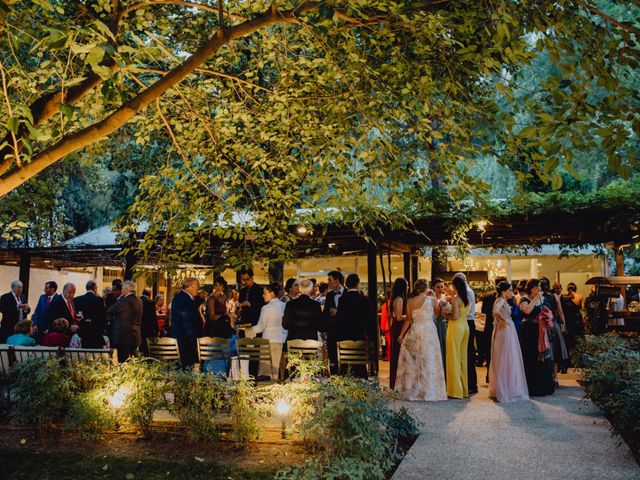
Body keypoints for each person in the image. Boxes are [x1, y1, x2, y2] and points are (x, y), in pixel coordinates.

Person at [395, 279, 447, 401]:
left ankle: (415, 389)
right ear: (426, 288)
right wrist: (434, 296)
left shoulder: (410, 301)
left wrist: (402, 335)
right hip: (429, 331)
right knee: (429, 359)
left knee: (415, 361)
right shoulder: (431, 300)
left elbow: (408, 320)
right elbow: (438, 313)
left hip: (415, 330)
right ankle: (428, 391)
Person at [488, 281, 529, 403]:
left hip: (507, 330)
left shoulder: (503, 301)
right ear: (503, 291)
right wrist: (503, 320)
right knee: (505, 358)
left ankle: (507, 387)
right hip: (505, 331)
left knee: (508, 358)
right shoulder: (500, 300)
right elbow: (495, 312)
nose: (512, 292)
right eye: (510, 290)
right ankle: (504, 389)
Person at [519, 279, 555, 396]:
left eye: (539, 287)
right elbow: (527, 311)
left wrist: (546, 315)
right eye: (535, 288)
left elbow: (551, 313)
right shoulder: (524, 299)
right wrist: (535, 299)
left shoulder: (544, 299)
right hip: (529, 331)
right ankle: (532, 388)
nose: (538, 290)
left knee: (544, 359)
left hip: (541, 331)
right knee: (531, 357)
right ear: (529, 289)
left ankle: (545, 387)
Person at [335, 273, 373, 377]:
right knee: (360, 367)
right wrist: (371, 338)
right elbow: (369, 321)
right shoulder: (364, 299)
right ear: (357, 284)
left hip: (345, 337)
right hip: (359, 337)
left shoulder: (342, 299)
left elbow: (339, 320)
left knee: (346, 367)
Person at [251, 283, 287, 379]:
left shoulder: (266, 308)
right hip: (280, 340)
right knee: (276, 371)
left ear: (271, 293)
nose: (263, 295)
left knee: (266, 373)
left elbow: (260, 327)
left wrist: (249, 330)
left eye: (265, 293)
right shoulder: (284, 305)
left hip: (267, 342)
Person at [444, 276, 471, 399]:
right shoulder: (468, 298)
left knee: (453, 358)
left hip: (456, 327)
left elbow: (454, 316)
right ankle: (464, 390)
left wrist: (444, 313)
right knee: (462, 358)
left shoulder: (456, 299)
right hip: (465, 327)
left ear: (455, 286)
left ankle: (455, 391)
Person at [540, 277, 568, 386]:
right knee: (555, 352)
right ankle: (555, 377)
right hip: (554, 325)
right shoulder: (555, 296)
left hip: (543, 325)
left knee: (546, 351)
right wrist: (564, 325)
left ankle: (547, 377)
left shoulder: (539, 297)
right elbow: (560, 313)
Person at [453, 272, 477, 394]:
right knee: (466, 354)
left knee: (467, 354)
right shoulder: (467, 293)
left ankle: (469, 384)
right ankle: (468, 383)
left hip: (466, 322)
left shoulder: (466, 293)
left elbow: (460, 313)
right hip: (466, 323)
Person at [107, 280, 143, 363]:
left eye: (123, 289)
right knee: (133, 363)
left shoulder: (124, 300)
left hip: (123, 338)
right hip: (135, 337)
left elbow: (110, 310)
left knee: (123, 363)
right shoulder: (140, 301)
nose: (121, 291)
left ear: (127, 289)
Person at [170, 277, 202, 367]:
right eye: (197, 286)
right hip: (185, 341)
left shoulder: (183, 297)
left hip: (183, 339)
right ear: (190, 286)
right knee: (185, 367)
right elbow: (187, 322)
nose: (198, 289)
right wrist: (193, 341)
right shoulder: (184, 299)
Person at [480, 276, 507, 381]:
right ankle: (500, 376)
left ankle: (489, 374)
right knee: (501, 351)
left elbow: (483, 311)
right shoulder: (506, 298)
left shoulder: (487, 297)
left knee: (489, 351)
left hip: (489, 326)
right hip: (501, 326)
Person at [322, 270, 345, 374]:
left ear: (337, 281)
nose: (328, 282)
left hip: (344, 331)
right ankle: (334, 377)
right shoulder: (329, 295)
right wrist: (324, 329)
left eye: (330, 280)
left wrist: (338, 313)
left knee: (344, 356)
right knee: (332, 356)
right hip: (332, 331)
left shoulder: (347, 294)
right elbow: (325, 314)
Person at [389, 277, 408, 389]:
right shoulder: (400, 299)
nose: (408, 287)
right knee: (398, 353)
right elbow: (399, 317)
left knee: (397, 353)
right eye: (407, 285)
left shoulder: (395, 298)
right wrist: (411, 315)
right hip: (399, 327)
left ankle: (395, 382)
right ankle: (397, 382)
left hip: (396, 326)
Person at [431, 278, 449, 374]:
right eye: (438, 287)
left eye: (442, 286)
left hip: (442, 324)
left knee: (443, 345)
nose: (440, 289)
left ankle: (444, 371)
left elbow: (449, 312)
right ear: (433, 287)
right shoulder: (430, 298)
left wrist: (446, 310)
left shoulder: (445, 297)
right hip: (432, 323)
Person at [139, 288, 158, 355]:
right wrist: (156, 329)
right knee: (146, 346)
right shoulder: (150, 302)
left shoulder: (137, 300)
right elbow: (153, 317)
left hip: (139, 326)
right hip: (148, 327)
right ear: (150, 294)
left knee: (140, 345)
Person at [380, 291, 391, 361]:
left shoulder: (385, 305)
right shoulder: (396, 303)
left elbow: (383, 317)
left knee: (389, 343)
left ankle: (389, 356)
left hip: (388, 326)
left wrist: (382, 328)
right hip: (394, 325)